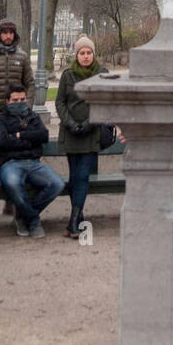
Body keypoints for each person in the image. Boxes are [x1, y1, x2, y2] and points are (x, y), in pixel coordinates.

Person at [56, 35, 122, 238]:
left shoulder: (102, 74)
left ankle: (73, 221)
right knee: (75, 177)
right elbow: (60, 102)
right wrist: (71, 123)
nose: (85, 56)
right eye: (82, 53)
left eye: (89, 52)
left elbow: (106, 103)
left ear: (94, 54)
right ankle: (78, 216)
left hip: (92, 133)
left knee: (83, 176)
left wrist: (87, 124)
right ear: (77, 55)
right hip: (70, 133)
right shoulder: (68, 75)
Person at [0, 87, 64, 237]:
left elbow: (43, 135)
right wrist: (30, 139)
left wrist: (18, 135)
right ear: (7, 101)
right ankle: (34, 220)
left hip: (34, 163)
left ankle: (23, 217)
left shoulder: (33, 116)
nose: (20, 102)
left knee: (57, 184)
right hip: (11, 164)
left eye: (22, 99)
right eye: (15, 100)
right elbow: (1, 143)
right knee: (13, 184)